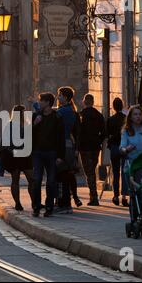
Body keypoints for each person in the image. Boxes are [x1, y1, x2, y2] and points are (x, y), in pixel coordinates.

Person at [32, 92, 66, 217]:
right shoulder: (36, 116)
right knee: (36, 180)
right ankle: (36, 207)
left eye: (41, 101)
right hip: (38, 153)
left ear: (47, 103)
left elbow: (61, 138)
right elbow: (29, 134)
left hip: (52, 153)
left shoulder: (57, 117)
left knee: (51, 181)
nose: (39, 103)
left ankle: (49, 207)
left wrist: (60, 156)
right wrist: (35, 124)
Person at [1, 105, 34, 211]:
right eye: (23, 112)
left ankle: (33, 202)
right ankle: (18, 203)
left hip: (24, 155)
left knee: (29, 180)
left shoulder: (25, 124)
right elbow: (5, 143)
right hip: (15, 156)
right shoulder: (11, 126)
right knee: (17, 180)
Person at [56, 86, 82, 214]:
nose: (58, 97)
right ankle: (66, 202)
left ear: (65, 97)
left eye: (60, 95)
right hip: (69, 145)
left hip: (63, 145)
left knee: (61, 174)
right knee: (65, 174)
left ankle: (63, 203)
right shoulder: (71, 110)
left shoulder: (63, 112)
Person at [78, 94, 105, 206]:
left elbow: (78, 132)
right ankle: (93, 196)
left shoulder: (81, 115)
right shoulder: (98, 115)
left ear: (84, 102)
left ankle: (93, 197)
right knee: (92, 170)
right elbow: (104, 132)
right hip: (95, 146)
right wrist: (98, 141)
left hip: (84, 147)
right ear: (93, 102)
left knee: (89, 172)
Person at [107, 97, 128, 206]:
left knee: (115, 173)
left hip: (114, 147)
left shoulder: (110, 119)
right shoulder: (126, 118)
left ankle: (115, 196)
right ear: (122, 106)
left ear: (113, 107)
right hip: (124, 147)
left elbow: (107, 133)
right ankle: (124, 197)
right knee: (125, 172)